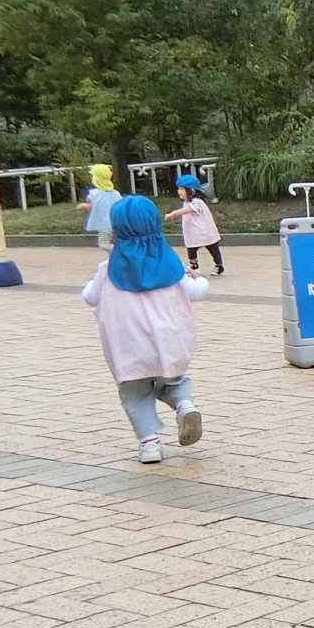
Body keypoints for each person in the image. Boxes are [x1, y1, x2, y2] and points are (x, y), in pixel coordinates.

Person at [81, 195, 209, 465]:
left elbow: (89, 297)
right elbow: (196, 292)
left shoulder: (107, 270)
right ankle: (184, 405)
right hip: (171, 342)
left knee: (135, 392)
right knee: (173, 381)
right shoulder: (172, 266)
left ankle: (150, 444)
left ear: (115, 231)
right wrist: (200, 279)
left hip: (129, 349)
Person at [163, 173, 224, 275]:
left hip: (204, 231)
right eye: (179, 189)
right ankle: (193, 264)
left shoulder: (197, 201)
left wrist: (173, 214)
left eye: (182, 189)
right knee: (191, 249)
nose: (179, 192)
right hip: (193, 232)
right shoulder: (186, 202)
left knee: (212, 247)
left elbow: (189, 209)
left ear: (192, 190)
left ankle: (219, 265)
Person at [77, 164, 122, 249]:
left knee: (104, 244)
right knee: (114, 241)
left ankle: (119, 252)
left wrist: (84, 206)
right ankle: (117, 255)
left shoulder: (93, 194)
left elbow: (92, 205)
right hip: (116, 223)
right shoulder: (116, 193)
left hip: (104, 225)